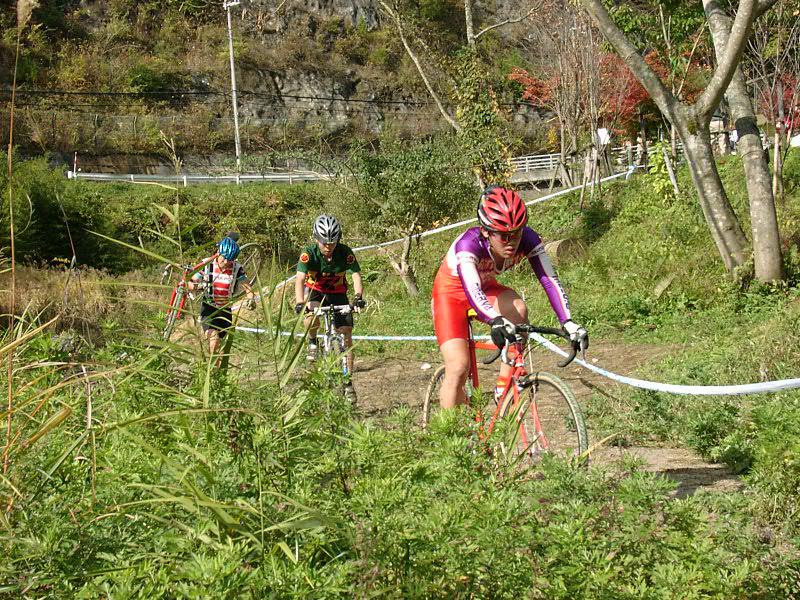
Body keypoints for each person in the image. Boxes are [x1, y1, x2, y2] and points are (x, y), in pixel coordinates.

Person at [431, 185, 588, 409]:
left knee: (518, 309)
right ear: (486, 231)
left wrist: (568, 321)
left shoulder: (528, 239)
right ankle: (448, 429)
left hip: (485, 288)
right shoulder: (468, 245)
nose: (512, 242)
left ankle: (503, 386)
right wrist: (495, 320)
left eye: (517, 233)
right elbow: (472, 290)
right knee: (457, 368)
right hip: (451, 295)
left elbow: (549, 280)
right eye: (504, 236)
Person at [294, 214, 365, 380]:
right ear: (316, 239)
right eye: (324, 243)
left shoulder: (345, 252)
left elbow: (356, 275)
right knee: (310, 316)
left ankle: (348, 379)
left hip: (338, 293)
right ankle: (313, 341)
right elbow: (299, 279)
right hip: (316, 291)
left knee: (346, 334)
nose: (328, 247)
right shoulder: (308, 254)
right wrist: (299, 302)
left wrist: (358, 297)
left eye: (332, 243)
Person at [189, 236, 256, 367]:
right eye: (223, 258)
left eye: (229, 260)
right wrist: (194, 285)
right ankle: (212, 371)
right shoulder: (207, 264)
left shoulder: (237, 268)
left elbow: (247, 286)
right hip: (208, 309)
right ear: (218, 253)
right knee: (213, 341)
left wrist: (251, 298)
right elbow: (192, 281)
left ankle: (218, 373)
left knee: (220, 348)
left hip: (225, 311)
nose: (225, 262)